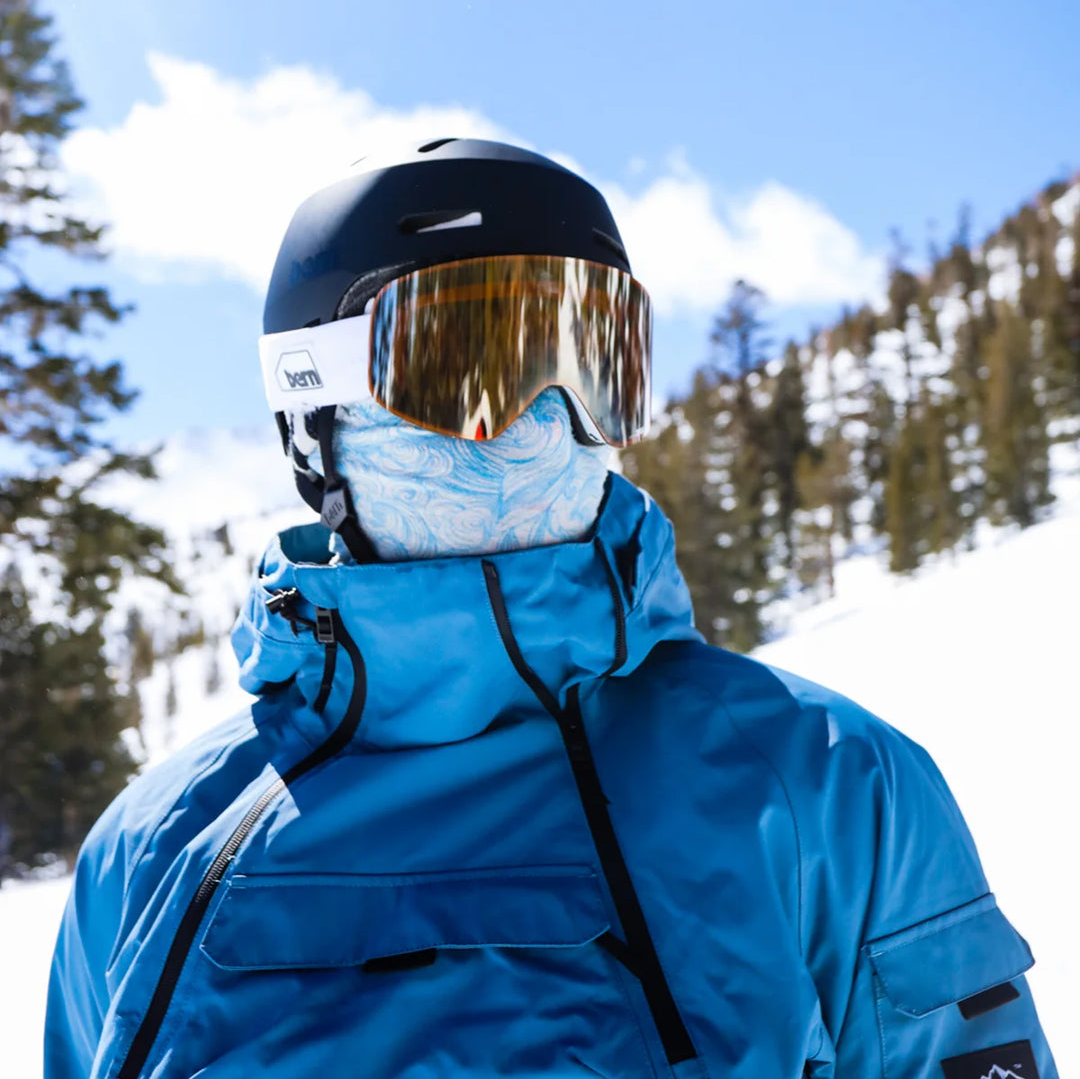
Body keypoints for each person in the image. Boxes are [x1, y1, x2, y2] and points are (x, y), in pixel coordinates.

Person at [46, 139, 1057, 1079]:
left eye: (593, 363)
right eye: (466, 366)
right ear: (315, 417)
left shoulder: (824, 783)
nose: (544, 420)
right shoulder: (153, 851)